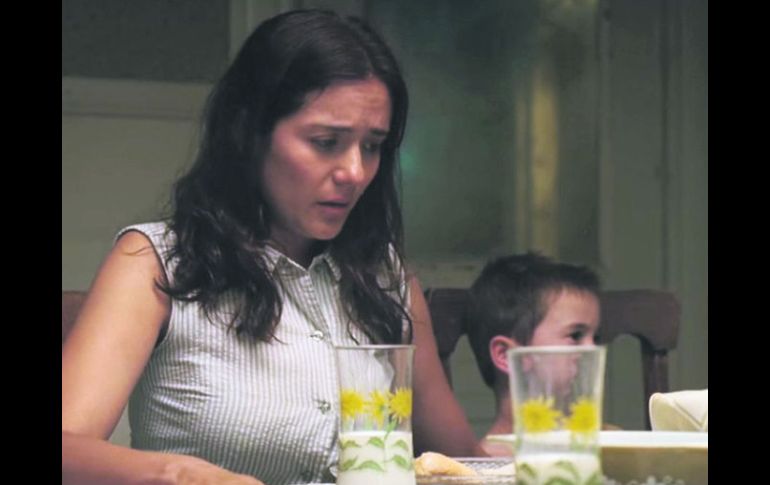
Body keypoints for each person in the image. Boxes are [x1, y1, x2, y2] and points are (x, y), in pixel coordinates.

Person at [62, 9, 482, 485]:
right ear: (250, 132)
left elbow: (463, 462)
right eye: (326, 141)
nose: (355, 172)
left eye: (372, 146)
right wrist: (180, 474)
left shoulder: (384, 276)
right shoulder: (156, 262)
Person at [464, 252, 601, 456]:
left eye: (595, 338)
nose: (592, 350)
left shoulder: (601, 445)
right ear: (506, 355)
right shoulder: (486, 465)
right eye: (575, 335)